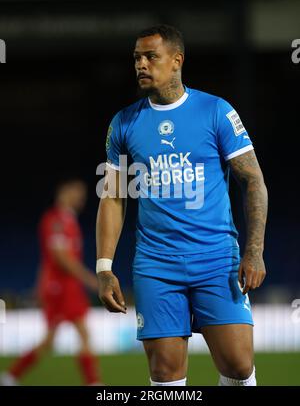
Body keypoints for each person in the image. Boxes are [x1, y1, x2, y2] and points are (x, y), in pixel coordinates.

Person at [96, 24, 268, 386]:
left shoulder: (216, 112)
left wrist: (253, 250)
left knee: (238, 365)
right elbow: (113, 195)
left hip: (216, 257)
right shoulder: (124, 123)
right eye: (137, 58)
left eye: (150, 57)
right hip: (156, 264)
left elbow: (252, 180)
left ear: (177, 61)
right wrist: (104, 267)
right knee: (165, 372)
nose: (141, 64)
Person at [0, 178, 103, 386]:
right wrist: (92, 280)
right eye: (76, 192)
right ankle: (93, 383)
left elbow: (48, 259)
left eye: (82, 195)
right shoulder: (56, 220)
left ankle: (11, 376)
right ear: (63, 192)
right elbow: (60, 258)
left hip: (67, 286)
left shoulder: (69, 220)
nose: (80, 198)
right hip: (60, 287)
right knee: (66, 336)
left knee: (60, 338)